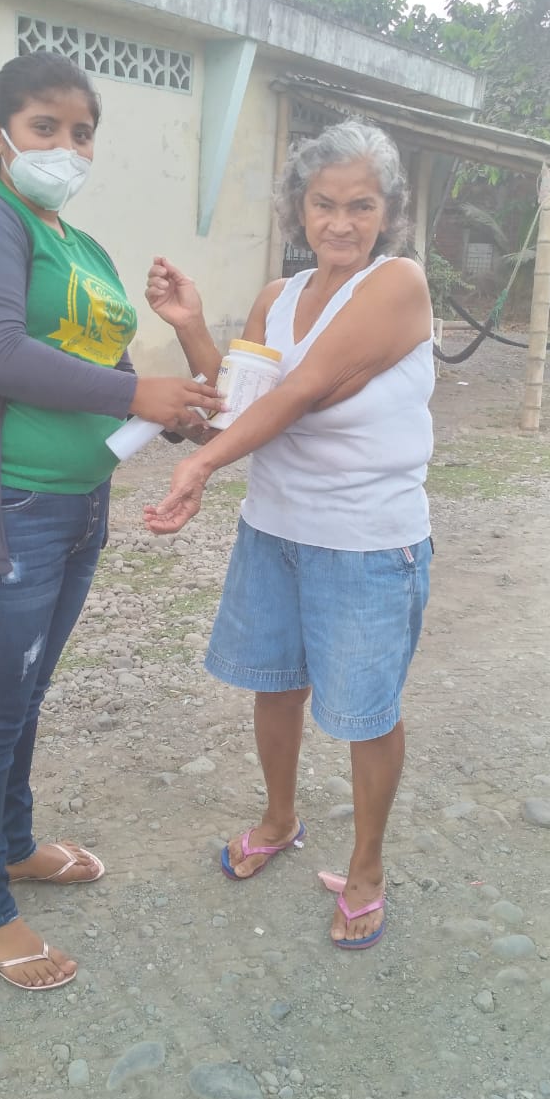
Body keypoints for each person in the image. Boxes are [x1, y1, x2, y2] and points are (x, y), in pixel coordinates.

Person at [0, 52, 222, 990]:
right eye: (46, 127)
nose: (66, 148)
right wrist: (139, 389)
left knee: (24, 697)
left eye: (82, 133)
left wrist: (178, 393)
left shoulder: (82, 248)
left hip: (76, 509)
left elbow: (109, 375)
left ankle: (13, 844)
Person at [144, 120, 434, 951]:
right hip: (273, 528)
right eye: (323, 204)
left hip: (367, 541)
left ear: (388, 212)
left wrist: (201, 469)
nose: (340, 223)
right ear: (297, 209)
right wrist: (191, 327)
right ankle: (279, 820)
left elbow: (302, 391)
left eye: (361, 206)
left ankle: (367, 867)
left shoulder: (398, 283)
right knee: (275, 687)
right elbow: (237, 408)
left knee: (365, 713)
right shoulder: (278, 296)